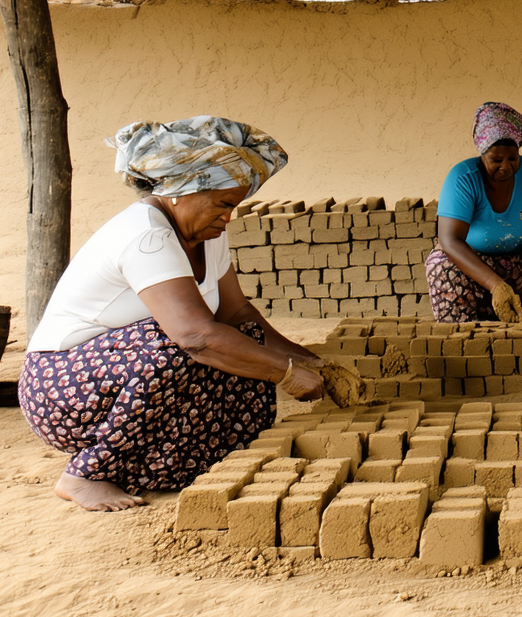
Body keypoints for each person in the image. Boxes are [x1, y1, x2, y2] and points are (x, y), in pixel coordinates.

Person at [18, 116, 326, 512]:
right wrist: (284, 371)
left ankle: (171, 466)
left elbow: (237, 312)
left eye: (234, 206)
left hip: (121, 380)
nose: (228, 217)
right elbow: (195, 336)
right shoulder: (145, 233)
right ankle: (84, 474)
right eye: (223, 204)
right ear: (183, 190)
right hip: (63, 390)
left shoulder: (208, 233)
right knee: (186, 343)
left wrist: (308, 360)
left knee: (242, 340)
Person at [425, 102, 522, 322]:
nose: (506, 166)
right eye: (496, 160)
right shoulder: (463, 177)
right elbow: (449, 240)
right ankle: (466, 338)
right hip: (470, 261)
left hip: (513, 260)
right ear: (483, 155)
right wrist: (495, 285)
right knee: (441, 268)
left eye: (513, 158)